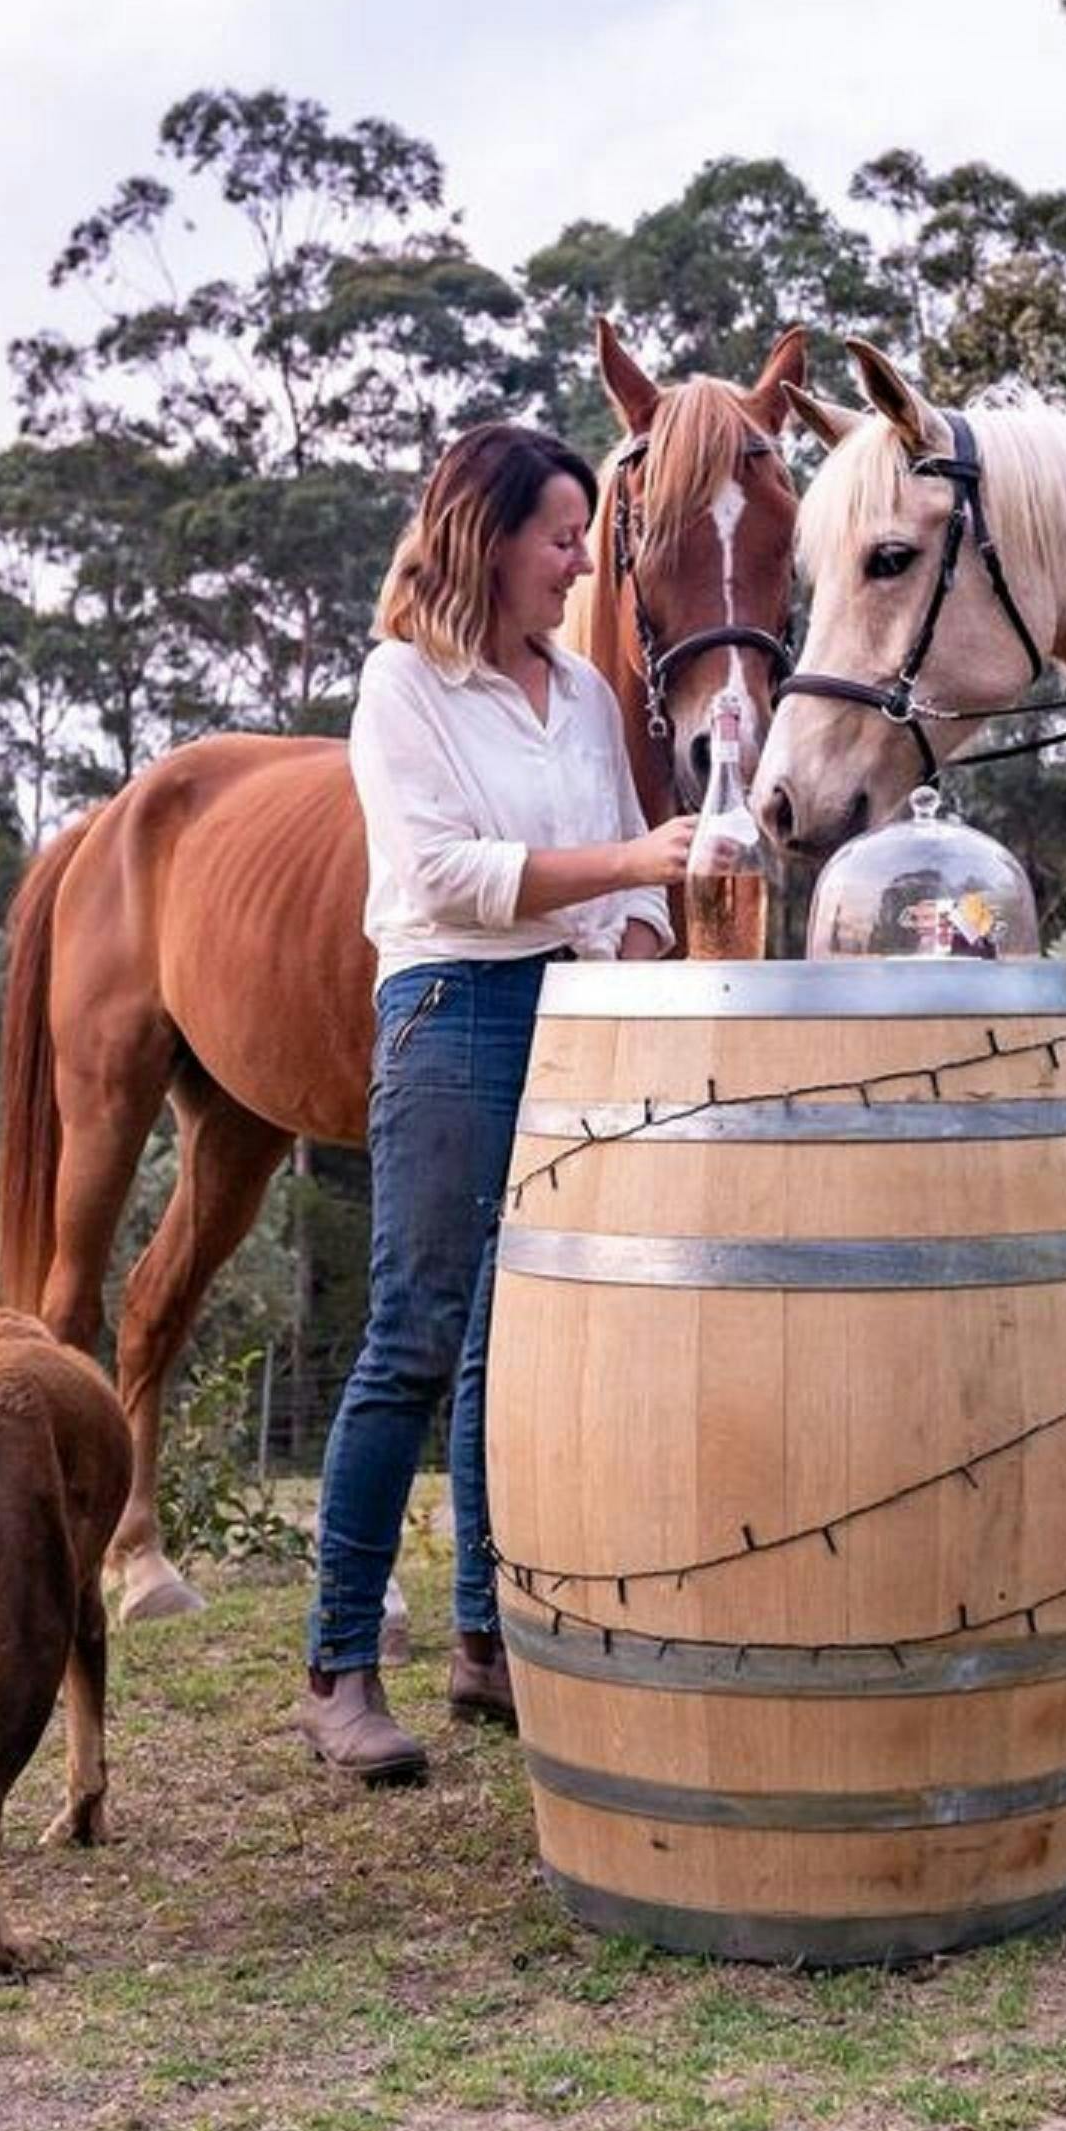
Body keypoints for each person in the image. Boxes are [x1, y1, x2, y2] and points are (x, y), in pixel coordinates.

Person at [294, 422, 694, 1786]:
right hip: (454, 1009)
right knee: (415, 1334)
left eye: (585, 537)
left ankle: (486, 1639)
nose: (582, 561)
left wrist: (641, 936)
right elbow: (451, 876)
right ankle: (340, 1665)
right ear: (488, 533)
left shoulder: (580, 693)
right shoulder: (401, 685)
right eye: (563, 536)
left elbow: (635, 877)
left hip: (576, 1012)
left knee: (510, 1347)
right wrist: (630, 862)